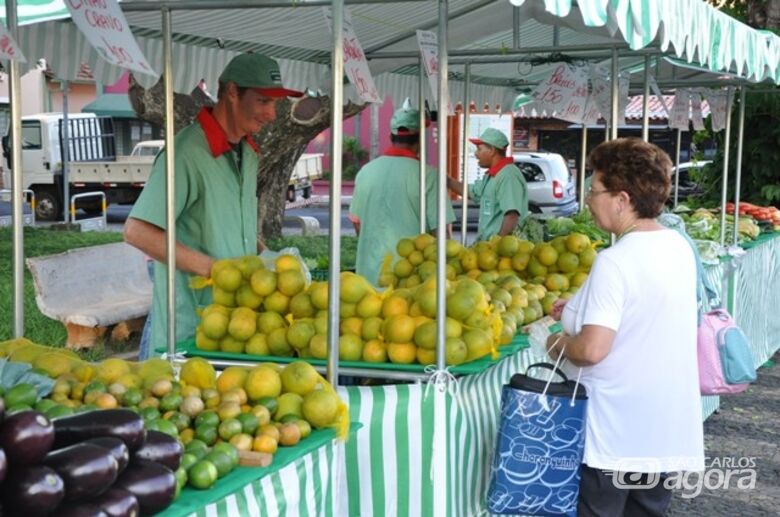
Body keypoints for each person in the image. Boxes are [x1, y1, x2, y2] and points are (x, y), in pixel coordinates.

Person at [546, 138, 704, 516]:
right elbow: (646, 308)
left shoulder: (615, 260)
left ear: (621, 199)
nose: (587, 198)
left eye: (594, 189)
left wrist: (556, 343)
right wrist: (581, 307)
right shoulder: (677, 246)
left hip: (614, 433)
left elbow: (592, 350)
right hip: (661, 426)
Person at [125, 53, 303, 355]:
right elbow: (137, 232)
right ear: (232, 92)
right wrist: (215, 270)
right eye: (263, 101)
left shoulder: (247, 152)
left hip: (237, 327)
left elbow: (232, 222)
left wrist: (268, 256)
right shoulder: (186, 153)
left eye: (274, 104)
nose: (272, 114)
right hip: (191, 333)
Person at [349, 105, 455, 285]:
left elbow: (357, 223)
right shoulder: (428, 176)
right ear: (420, 139)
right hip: (410, 280)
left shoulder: (366, 171)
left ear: (391, 137)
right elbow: (442, 232)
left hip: (367, 281)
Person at [446, 127, 527, 241]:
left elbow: (512, 215)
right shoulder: (493, 175)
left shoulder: (508, 175)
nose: (476, 154)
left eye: (479, 149)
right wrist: (447, 181)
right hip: (487, 247)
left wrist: (497, 245)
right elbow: (472, 192)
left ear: (492, 150)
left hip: (500, 251)